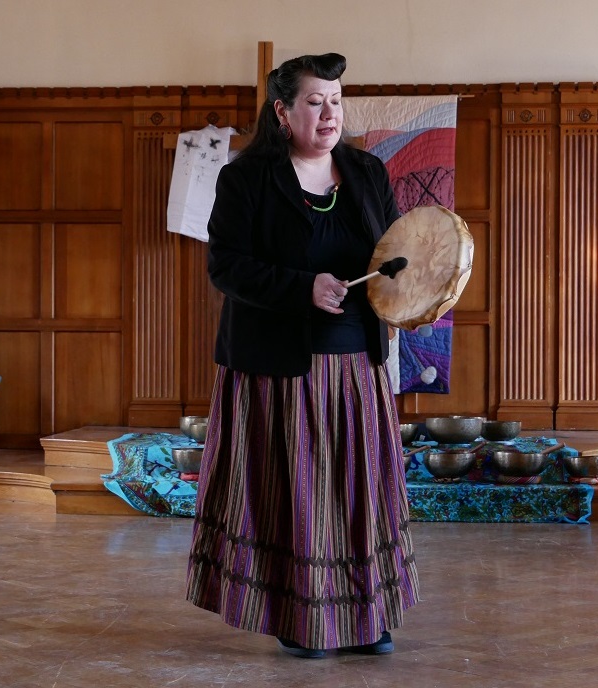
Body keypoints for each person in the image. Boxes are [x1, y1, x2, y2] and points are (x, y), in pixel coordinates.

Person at [186, 52, 420, 659]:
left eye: (336, 101)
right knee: (299, 496)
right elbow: (227, 267)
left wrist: (419, 291)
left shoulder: (368, 173)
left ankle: (366, 616)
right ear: (282, 111)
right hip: (278, 367)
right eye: (315, 102)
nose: (328, 114)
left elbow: (394, 256)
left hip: (357, 366)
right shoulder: (246, 178)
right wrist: (301, 287)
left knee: (357, 493)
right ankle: (300, 618)